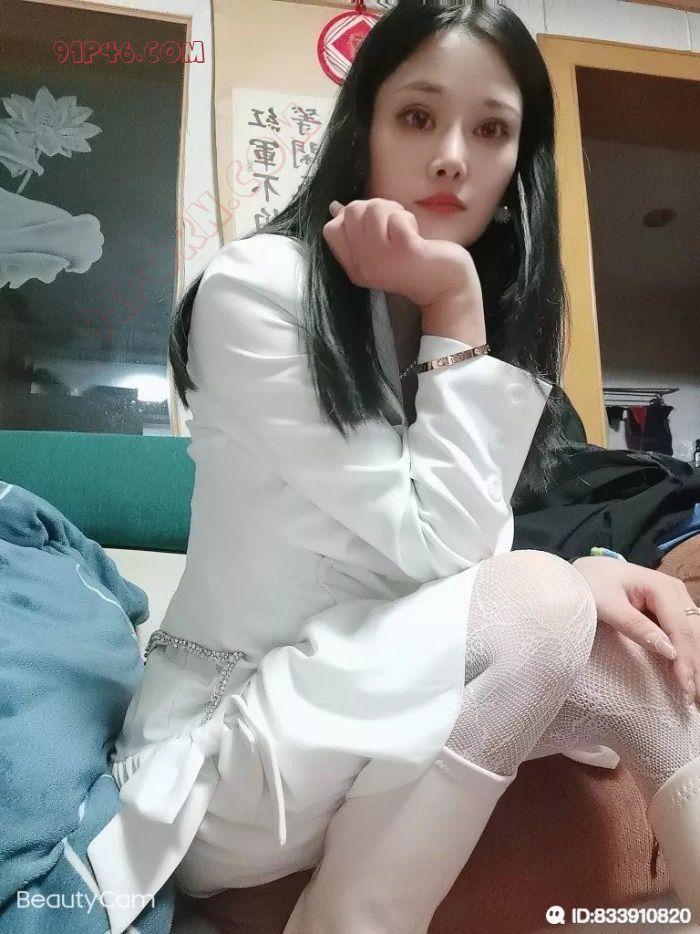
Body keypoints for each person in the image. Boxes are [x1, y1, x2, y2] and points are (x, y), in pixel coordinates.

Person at [87, 3, 700, 932]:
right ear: (362, 130)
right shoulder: (259, 288)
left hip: (359, 721)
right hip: (223, 755)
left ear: (519, 166)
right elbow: (447, 552)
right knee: (543, 603)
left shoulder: (461, 327)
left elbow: (463, 568)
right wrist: (454, 300)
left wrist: (589, 574)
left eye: (491, 130)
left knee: (636, 662)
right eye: (418, 116)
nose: (452, 156)